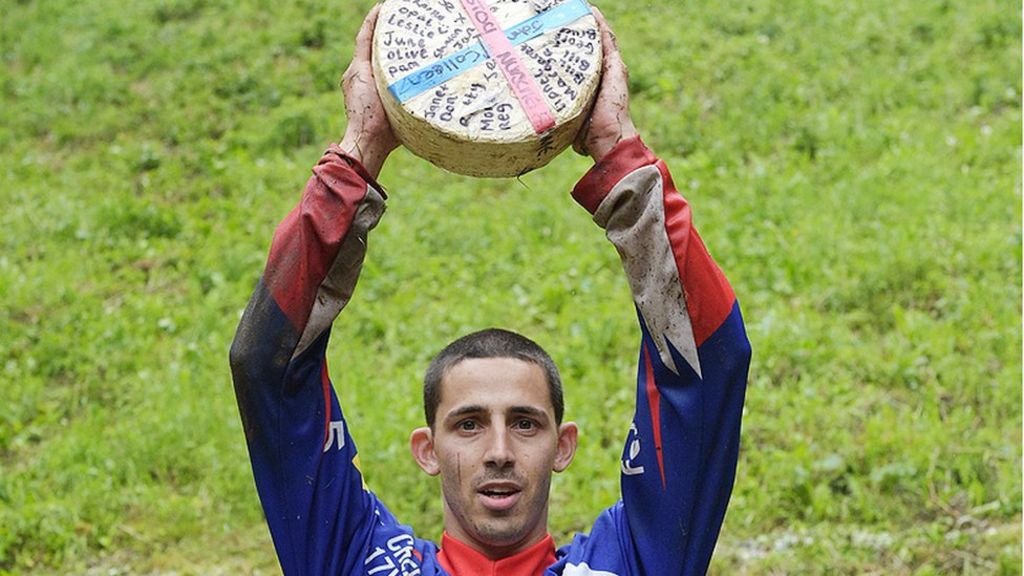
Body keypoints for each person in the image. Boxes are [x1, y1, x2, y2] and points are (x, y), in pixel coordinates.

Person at [229, 5, 751, 575]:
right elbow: (268, 368)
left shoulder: (633, 563)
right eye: (469, 424)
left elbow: (708, 367)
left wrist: (617, 149)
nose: (499, 452)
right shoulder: (353, 561)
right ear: (427, 449)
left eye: (525, 423)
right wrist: (358, 152)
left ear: (563, 446)